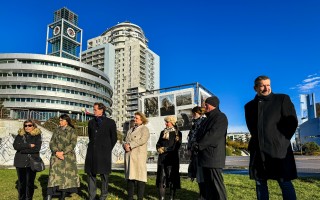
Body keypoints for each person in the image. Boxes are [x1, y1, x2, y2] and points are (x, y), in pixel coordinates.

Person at [244, 75, 298, 200]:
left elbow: (292, 122)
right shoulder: (249, 106)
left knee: (284, 182)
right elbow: (252, 127)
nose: (266, 88)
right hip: (258, 151)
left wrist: (281, 140)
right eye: (262, 85)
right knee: (260, 183)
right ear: (255, 88)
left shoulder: (282, 99)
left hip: (278, 150)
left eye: (268, 85)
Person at [192, 96, 228, 200]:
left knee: (216, 185)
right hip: (205, 157)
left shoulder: (220, 117)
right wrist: (195, 143)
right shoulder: (207, 119)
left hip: (213, 157)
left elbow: (213, 135)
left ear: (212, 105)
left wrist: (198, 145)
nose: (204, 106)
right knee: (208, 186)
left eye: (206, 104)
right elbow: (199, 134)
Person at [85, 102, 117, 200]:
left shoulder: (110, 122)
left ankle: (103, 196)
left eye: (95, 109)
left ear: (101, 110)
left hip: (104, 153)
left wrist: (107, 148)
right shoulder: (91, 122)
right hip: (92, 152)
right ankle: (92, 196)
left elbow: (114, 138)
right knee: (91, 174)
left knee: (104, 175)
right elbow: (91, 136)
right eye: (93, 109)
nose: (93, 111)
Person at [47, 114, 80, 200]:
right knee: (53, 176)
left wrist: (63, 152)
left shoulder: (72, 131)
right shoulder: (56, 130)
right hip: (56, 156)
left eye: (62, 120)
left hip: (67, 157)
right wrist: (56, 152)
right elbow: (52, 142)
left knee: (65, 177)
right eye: (60, 120)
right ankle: (49, 195)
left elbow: (72, 144)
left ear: (67, 121)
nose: (60, 122)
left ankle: (62, 196)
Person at [123, 112, 150, 200]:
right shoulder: (130, 130)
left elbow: (142, 140)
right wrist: (125, 145)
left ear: (142, 119)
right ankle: (130, 197)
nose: (135, 120)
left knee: (140, 178)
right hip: (129, 156)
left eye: (137, 118)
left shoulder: (144, 129)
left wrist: (130, 145)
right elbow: (125, 140)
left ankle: (140, 198)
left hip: (138, 157)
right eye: (134, 118)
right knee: (130, 178)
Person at [13, 120, 42, 200]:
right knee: (22, 183)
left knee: (29, 183)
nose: (27, 127)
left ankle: (29, 198)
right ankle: (21, 198)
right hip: (20, 162)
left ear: (33, 126)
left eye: (29, 125)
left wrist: (22, 150)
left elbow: (36, 149)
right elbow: (15, 146)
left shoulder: (37, 135)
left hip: (31, 162)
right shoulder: (20, 135)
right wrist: (28, 145)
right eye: (25, 125)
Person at [156, 116, 182, 200]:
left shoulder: (177, 133)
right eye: (165, 122)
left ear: (172, 122)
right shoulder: (162, 132)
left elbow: (176, 146)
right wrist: (158, 148)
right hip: (162, 159)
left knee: (172, 179)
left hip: (172, 158)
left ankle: (171, 198)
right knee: (161, 179)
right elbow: (158, 143)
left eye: (167, 122)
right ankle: (162, 198)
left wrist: (165, 149)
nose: (165, 124)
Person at [187, 106, 206, 200]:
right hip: (194, 152)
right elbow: (191, 136)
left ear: (196, 113)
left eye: (193, 113)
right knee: (198, 174)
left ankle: (203, 195)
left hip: (200, 151)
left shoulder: (203, 121)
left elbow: (199, 137)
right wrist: (189, 148)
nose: (192, 115)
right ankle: (201, 195)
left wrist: (193, 147)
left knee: (201, 174)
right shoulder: (195, 122)